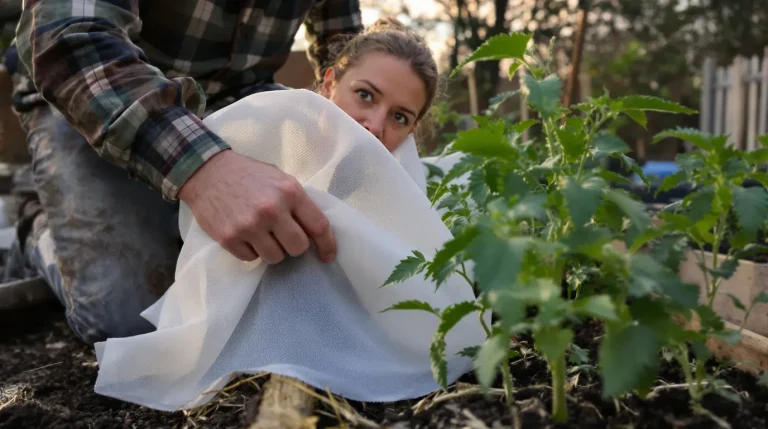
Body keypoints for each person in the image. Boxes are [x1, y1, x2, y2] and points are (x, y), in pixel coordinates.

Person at [2, 0, 364, 344]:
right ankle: (35, 225)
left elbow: (344, 45)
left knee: (312, 270)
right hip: (92, 96)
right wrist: (207, 171)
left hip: (240, 97)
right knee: (131, 319)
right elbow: (69, 38)